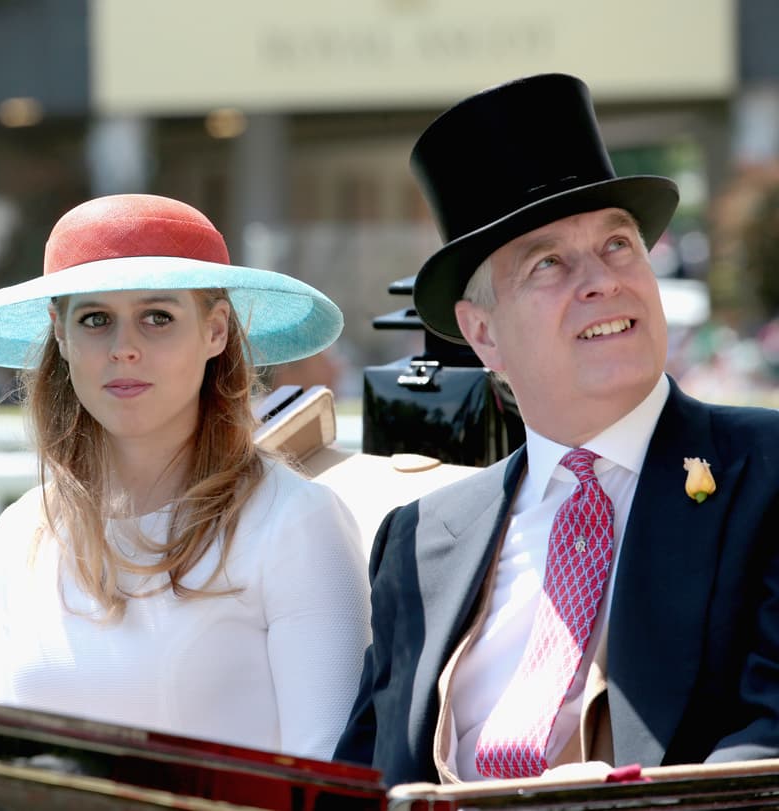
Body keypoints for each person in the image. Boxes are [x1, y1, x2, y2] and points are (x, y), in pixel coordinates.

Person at [334, 73, 779, 785]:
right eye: (548, 263)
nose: (601, 280)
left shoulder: (765, 470)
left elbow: (770, 748)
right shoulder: (419, 540)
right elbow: (361, 776)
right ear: (484, 335)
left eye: (618, 245)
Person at [0, 193, 371, 759]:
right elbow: (15, 768)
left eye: (157, 317)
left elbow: (331, 778)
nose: (124, 349)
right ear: (60, 335)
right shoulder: (25, 531)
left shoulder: (295, 522)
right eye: (95, 319)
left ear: (215, 331)